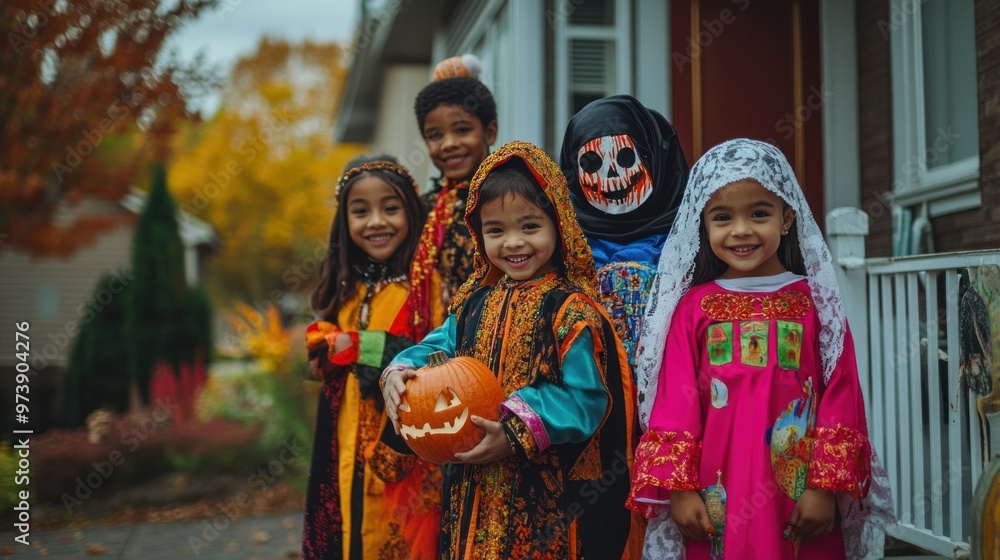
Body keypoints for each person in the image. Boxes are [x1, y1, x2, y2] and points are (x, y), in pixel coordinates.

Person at [628, 139, 894, 559]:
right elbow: (674, 407)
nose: (741, 230)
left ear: (787, 218)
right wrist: (679, 492)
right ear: (703, 224)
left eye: (759, 213)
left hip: (799, 494)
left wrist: (824, 489)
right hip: (715, 494)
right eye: (723, 217)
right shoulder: (692, 309)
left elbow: (842, 396)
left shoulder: (815, 304)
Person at [381, 141, 637, 560]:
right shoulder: (474, 305)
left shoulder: (571, 312)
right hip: (471, 490)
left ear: (559, 224)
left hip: (544, 494)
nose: (513, 243)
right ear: (478, 233)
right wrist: (399, 370)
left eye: (530, 226)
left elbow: (588, 399)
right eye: (496, 230)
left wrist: (519, 429)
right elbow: (435, 347)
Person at [301, 158, 436, 560]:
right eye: (361, 211)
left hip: (399, 444)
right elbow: (321, 357)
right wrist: (326, 349)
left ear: (412, 212)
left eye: (390, 208)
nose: (376, 221)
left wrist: (358, 346)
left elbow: (433, 356)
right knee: (348, 535)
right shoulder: (347, 288)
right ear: (345, 222)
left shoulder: (425, 287)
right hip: (343, 441)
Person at [559, 94, 688, 370]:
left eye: (626, 157)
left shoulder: (692, 242)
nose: (613, 175)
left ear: (653, 157)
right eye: (592, 163)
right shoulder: (561, 245)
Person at [408, 56, 498, 339]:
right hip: (434, 347)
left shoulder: (512, 196)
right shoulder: (424, 208)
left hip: (496, 335)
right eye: (435, 135)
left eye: (462, 130)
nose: (449, 144)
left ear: (490, 131)